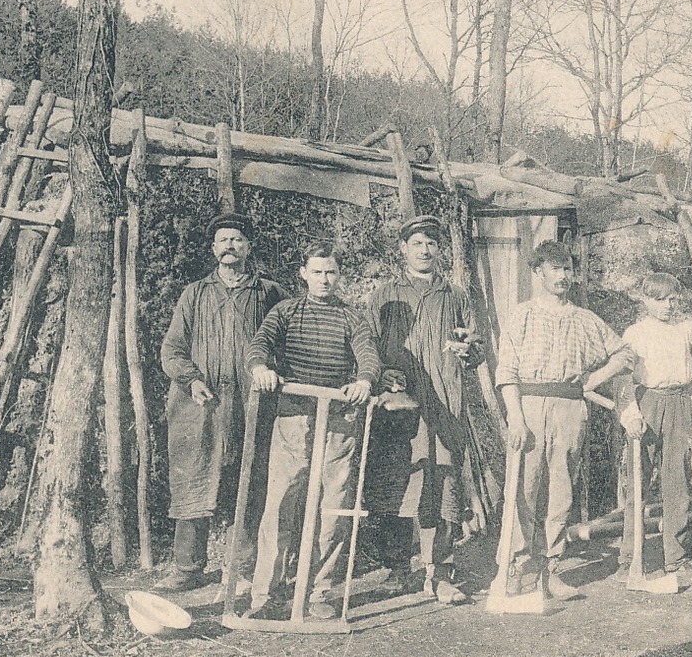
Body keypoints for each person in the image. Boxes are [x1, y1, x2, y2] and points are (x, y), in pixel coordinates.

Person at [493, 240, 637, 601]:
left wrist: (592, 381)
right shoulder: (522, 314)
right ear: (537, 273)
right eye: (555, 268)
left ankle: (549, 569)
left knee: (561, 490)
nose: (563, 276)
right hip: (528, 405)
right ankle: (517, 567)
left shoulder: (584, 319)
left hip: (570, 407)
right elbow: (507, 370)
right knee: (524, 488)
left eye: (567, 269)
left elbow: (624, 354)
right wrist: (515, 417)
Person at [246, 242, 380, 618]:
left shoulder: (351, 317)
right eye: (317, 272)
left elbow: (368, 354)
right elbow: (260, 343)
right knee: (280, 504)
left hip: (337, 420)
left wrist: (365, 381)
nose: (324, 279)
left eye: (331, 272)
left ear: (339, 276)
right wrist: (261, 368)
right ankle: (265, 596)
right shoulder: (286, 310)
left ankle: (320, 592)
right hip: (294, 416)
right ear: (303, 273)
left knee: (333, 507)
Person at [157, 213, 286, 592]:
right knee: (194, 477)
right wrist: (192, 380)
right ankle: (187, 567)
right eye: (223, 240)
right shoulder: (194, 293)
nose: (230, 245)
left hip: (253, 402)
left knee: (249, 480)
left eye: (238, 239)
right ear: (213, 249)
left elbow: (288, 343)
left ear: (249, 247)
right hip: (201, 404)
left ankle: (242, 569)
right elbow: (172, 349)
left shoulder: (269, 293)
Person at [365, 215, 483, 606]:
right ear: (403, 249)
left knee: (444, 483)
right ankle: (398, 569)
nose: (425, 250)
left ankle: (443, 572)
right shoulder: (383, 295)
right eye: (417, 243)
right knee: (398, 483)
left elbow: (477, 348)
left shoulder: (456, 295)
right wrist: (383, 376)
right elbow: (365, 350)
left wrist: (470, 352)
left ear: (439, 250)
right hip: (400, 407)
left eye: (432, 243)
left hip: (445, 404)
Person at [617, 273, 692, 571]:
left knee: (676, 481)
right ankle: (629, 558)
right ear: (645, 300)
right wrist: (631, 415)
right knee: (639, 480)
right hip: (647, 403)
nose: (667, 306)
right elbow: (622, 378)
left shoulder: (688, 329)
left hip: (679, 403)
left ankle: (676, 555)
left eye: (673, 299)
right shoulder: (635, 333)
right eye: (660, 300)